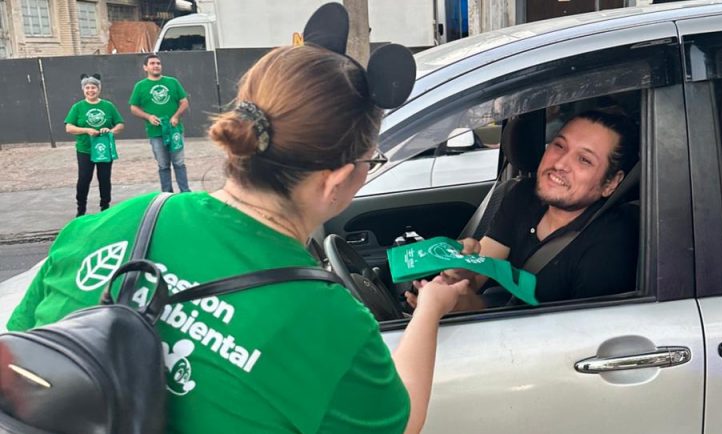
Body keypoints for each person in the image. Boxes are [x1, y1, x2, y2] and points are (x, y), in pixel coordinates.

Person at [7, 6, 470, 433]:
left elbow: (18, 358)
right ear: (335, 181)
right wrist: (429, 307)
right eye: (371, 160)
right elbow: (402, 421)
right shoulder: (332, 323)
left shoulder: (107, 223)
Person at [407, 110, 640, 311]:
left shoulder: (609, 245)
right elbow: (483, 267)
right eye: (559, 146)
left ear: (611, 183)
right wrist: (459, 273)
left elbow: (571, 341)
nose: (560, 164)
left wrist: (471, 307)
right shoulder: (524, 195)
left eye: (584, 160)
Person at [65, 73, 125, 216]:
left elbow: (120, 124)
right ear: (83, 89)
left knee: (104, 178)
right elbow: (69, 127)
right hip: (85, 149)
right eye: (87, 87)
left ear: (99, 89)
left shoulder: (108, 106)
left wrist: (110, 130)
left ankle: (105, 207)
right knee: (84, 178)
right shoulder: (78, 107)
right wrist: (86, 130)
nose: (90, 90)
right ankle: (81, 209)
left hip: (105, 150)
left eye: (93, 87)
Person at [129, 53, 190, 193]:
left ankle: (185, 192)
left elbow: (184, 102)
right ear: (145, 67)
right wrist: (148, 117)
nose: (156, 66)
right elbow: (133, 108)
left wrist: (176, 116)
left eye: (158, 63)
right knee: (163, 165)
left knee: (179, 163)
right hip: (155, 132)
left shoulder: (172, 82)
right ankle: (167, 193)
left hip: (174, 130)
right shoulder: (140, 86)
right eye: (152, 63)